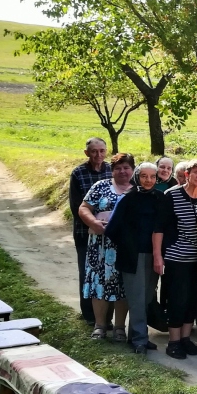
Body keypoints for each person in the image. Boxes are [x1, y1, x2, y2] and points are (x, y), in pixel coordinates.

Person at [105, 162, 165, 354]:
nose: (148, 180)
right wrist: (128, 244)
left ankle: (137, 336)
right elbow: (111, 229)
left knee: (147, 297)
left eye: (152, 176)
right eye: (144, 176)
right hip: (133, 256)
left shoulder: (160, 197)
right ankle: (139, 339)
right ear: (137, 177)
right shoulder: (127, 199)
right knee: (137, 298)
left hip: (154, 254)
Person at [153, 159, 197, 360]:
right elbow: (159, 228)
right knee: (177, 300)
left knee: (193, 300)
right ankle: (174, 342)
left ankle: (185, 338)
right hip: (176, 257)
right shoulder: (172, 195)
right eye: (195, 172)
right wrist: (158, 256)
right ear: (187, 174)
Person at [78, 152, 134, 341]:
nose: (122, 171)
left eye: (126, 168)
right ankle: (100, 325)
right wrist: (93, 222)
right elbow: (84, 208)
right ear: (112, 170)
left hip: (126, 247)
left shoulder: (137, 190)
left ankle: (119, 327)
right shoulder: (101, 186)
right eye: (118, 168)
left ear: (132, 170)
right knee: (99, 284)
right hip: (100, 246)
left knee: (122, 285)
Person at [69, 137, 112, 325]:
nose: (98, 155)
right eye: (94, 151)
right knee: (87, 272)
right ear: (87, 153)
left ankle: (106, 317)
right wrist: (93, 223)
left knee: (107, 272)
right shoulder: (78, 173)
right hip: (84, 232)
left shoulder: (112, 170)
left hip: (110, 233)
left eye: (102, 151)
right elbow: (76, 205)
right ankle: (89, 315)